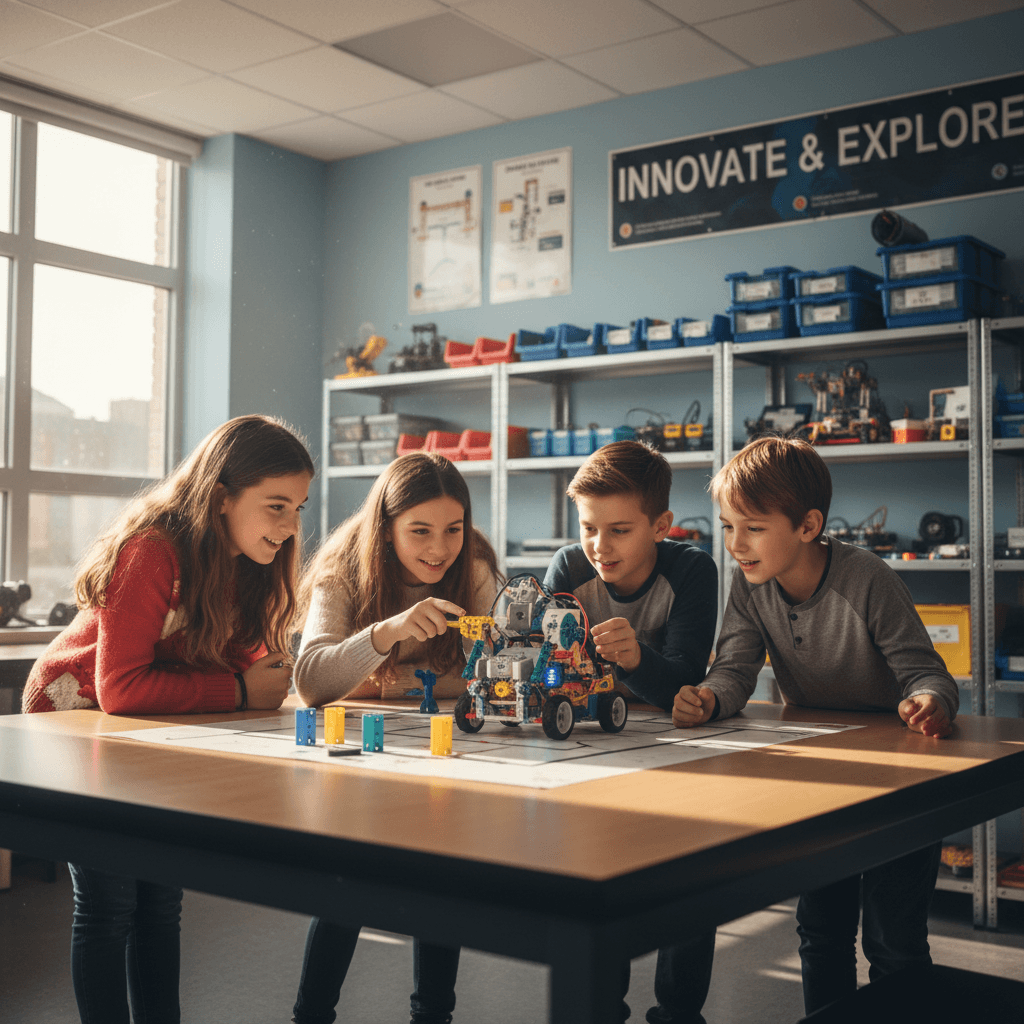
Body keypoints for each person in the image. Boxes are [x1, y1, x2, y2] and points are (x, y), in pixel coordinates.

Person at [21, 414, 314, 1024]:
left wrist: (255, 678)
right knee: (108, 904)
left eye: (299, 508)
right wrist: (238, 688)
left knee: (160, 899)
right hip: (73, 724)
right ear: (221, 498)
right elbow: (121, 687)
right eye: (277, 507)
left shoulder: (246, 566)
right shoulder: (152, 550)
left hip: (143, 733)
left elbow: (221, 669)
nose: (290, 528)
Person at [672, 434, 958, 1017]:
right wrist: (708, 698)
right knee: (821, 931)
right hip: (826, 780)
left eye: (751, 527)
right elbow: (733, 668)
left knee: (893, 945)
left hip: (900, 783)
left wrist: (929, 700)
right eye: (728, 527)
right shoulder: (750, 584)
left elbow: (927, 672)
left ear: (807, 526)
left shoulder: (867, 578)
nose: (735, 545)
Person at [292, 451, 502, 1024]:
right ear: (385, 528)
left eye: (453, 529)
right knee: (347, 887)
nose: (440, 548)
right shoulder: (342, 568)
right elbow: (311, 681)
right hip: (360, 768)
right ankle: (311, 1015)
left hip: (447, 762)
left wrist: (392, 680)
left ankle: (433, 1015)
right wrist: (383, 635)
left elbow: (504, 669)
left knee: (441, 885)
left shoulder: (475, 566)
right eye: (420, 531)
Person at [543, 440, 718, 1024]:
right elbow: (553, 672)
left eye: (619, 530)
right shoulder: (568, 569)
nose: (599, 547)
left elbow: (684, 689)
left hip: (681, 758)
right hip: (598, 758)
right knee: (596, 880)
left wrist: (636, 661)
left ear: (661, 526)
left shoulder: (692, 570)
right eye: (589, 528)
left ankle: (678, 1012)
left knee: (691, 883)